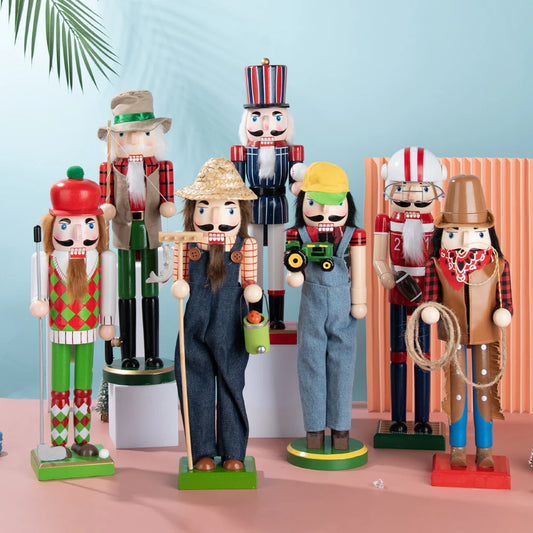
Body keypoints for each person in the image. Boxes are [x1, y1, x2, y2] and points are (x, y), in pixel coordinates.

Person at [171, 158, 262, 471]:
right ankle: (201, 452)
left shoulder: (245, 245)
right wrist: (179, 286)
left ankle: (234, 450)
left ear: (241, 212)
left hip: (230, 324)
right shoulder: (186, 245)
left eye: (227, 208)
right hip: (194, 323)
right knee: (194, 385)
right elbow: (180, 278)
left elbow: (250, 282)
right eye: (205, 207)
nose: (215, 218)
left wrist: (253, 292)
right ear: (192, 211)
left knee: (231, 383)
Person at [422, 174, 513, 468]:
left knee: (484, 389)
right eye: (454, 233)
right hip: (454, 334)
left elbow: (505, 299)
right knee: (457, 389)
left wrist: (505, 312)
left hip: (486, 333)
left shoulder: (498, 264)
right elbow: (431, 298)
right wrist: (430, 310)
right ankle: (457, 448)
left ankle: (485, 449)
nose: (464, 241)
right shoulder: (437, 264)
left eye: (474, 231)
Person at [30, 166, 116, 456]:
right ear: (51, 226)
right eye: (66, 224)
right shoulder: (46, 259)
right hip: (58, 331)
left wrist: (107, 320)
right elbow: (39, 294)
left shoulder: (103, 259)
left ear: (99, 225)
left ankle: (81, 439)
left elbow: (108, 291)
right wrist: (38, 302)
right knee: (59, 388)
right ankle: (57, 443)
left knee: (83, 386)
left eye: (88, 223)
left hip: (88, 330)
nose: (79, 232)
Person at [285, 162, 366, 450]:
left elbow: (359, 270)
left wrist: (359, 299)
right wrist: (294, 272)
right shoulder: (298, 234)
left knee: (343, 364)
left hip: (345, 305)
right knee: (310, 362)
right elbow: (292, 265)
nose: (325, 212)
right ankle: (314, 430)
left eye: (334, 204)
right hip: (312, 304)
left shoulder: (353, 235)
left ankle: (341, 430)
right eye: (315, 203)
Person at [98, 90, 175, 369]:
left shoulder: (162, 167)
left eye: (142, 134)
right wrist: (107, 208)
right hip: (123, 230)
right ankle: (128, 353)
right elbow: (105, 200)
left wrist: (167, 205)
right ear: (115, 138)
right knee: (126, 291)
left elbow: (167, 199)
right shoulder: (109, 168)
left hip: (151, 230)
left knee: (151, 290)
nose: (133, 142)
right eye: (125, 135)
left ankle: (152, 352)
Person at [373, 147, 447, 434]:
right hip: (397, 290)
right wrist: (385, 275)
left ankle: (423, 419)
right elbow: (379, 258)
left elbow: (441, 261)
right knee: (398, 354)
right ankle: (398, 418)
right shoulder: (386, 221)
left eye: (422, 188)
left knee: (423, 355)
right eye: (403, 187)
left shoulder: (438, 224)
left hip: (426, 295)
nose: (412, 196)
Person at [231, 58, 305, 329]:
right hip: (252, 208)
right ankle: (255, 314)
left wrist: (299, 182)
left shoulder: (291, 150)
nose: (266, 123)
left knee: (276, 262)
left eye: (275, 115)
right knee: (253, 263)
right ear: (247, 120)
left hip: (277, 205)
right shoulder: (242, 151)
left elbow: (296, 179)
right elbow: (236, 184)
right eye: (257, 116)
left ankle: (275, 317)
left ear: (286, 119)